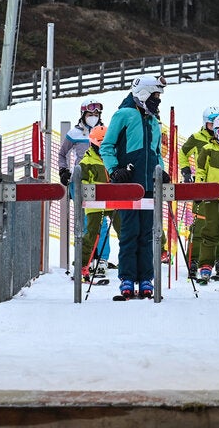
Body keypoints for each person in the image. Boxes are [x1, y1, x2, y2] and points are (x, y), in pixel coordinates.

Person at [100, 74, 170, 299]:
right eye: (155, 95)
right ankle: (127, 278)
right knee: (129, 232)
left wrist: (160, 171)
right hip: (128, 185)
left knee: (148, 234)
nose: (158, 100)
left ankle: (146, 278)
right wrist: (114, 170)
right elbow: (107, 146)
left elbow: (156, 153)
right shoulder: (124, 114)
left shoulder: (153, 121)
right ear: (143, 94)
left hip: (149, 186)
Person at [58, 99, 115, 271]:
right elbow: (62, 154)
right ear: (83, 114)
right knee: (84, 222)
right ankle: (85, 258)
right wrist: (63, 170)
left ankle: (102, 257)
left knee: (102, 222)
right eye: (90, 114)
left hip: (101, 180)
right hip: (81, 180)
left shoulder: (106, 132)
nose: (93, 117)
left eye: (96, 114)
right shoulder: (75, 133)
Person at [179, 106, 219, 274]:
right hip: (202, 187)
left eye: (217, 124)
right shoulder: (197, 138)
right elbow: (183, 153)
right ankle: (194, 258)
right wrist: (186, 171)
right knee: (199, 225)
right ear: (205, 124)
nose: (214, 127)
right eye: (212, 124)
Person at [77, 126, 122, 282]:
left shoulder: (114, 158)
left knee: (125, 232)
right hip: (95, 204)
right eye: (100, 146)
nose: (103, 149)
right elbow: (82, 184)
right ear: (93, 144)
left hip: (114, 202)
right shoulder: (87, 161)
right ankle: (82, 265)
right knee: (92, 234)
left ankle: (129, 265)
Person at [193, 113, 219, 284]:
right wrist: (199, 190)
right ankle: (206, 264)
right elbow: (201, 171)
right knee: (210, 229)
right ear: (216, 132)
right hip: (212, 195)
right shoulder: (208, 149)